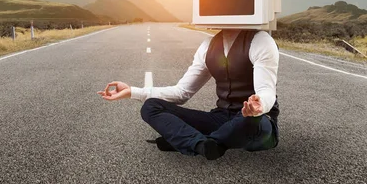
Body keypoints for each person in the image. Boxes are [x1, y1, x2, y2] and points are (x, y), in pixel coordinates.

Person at [97, 29, 280, 160]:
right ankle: (201, 145)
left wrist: (259, 105)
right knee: (151, 106)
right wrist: (132, 91)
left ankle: (189, 139)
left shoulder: (260, 40)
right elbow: (182, 92)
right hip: (221, 117)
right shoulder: (209, 45)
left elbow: (267, 90)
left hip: (256, 121)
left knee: (249, 122)